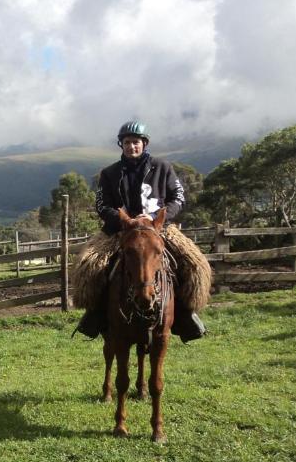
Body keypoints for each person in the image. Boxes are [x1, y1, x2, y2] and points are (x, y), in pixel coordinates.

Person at [74, 121, 209, 342]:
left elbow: (178, 198)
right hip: (120, 230)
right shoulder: (109, 173)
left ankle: (187, 314)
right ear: (121, 145)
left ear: (144, 144)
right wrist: (125, 220)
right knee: (90, 265)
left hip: (159, 229)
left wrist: (155, 218)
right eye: (127, 142)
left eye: (136, 142)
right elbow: (102, 205)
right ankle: (95, 314)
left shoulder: (163, 167)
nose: (131, 146)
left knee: (194, 263)